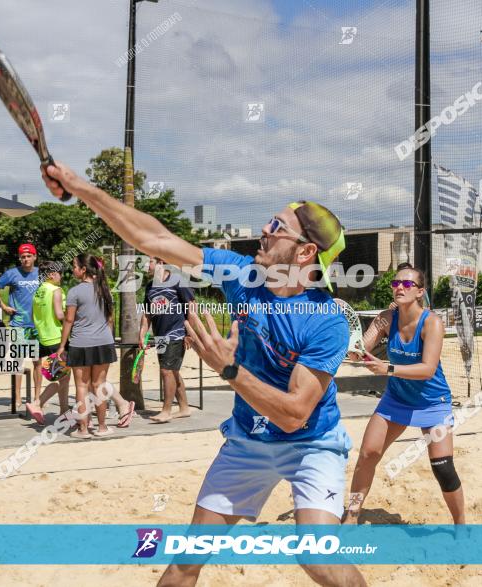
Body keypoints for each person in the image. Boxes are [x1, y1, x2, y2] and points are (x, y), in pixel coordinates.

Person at [42, 159, 365, 587]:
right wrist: (80, 187)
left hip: (311, 444)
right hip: (249, 440)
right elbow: (155, 239)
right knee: (184, 562)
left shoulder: (326, 321)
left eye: (277, 225)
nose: (264, 230)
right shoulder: (242, 274)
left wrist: (228, 369)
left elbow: (293, 414)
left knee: (319, 559)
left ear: (306, 252)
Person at [342, 265, 465, 525]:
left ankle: (461, 524)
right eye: (396, 283)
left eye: (407, 284)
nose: (400, 287)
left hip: (433, 402)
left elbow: (427, 369)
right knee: (367, 456)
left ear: (420, 292)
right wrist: (355, 350)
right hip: (396, 399)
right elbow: (359, 350)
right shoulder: (385, 319)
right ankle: (352, 514)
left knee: (443, 467)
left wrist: (387, 368)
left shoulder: (432, 322)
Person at [57, 253, 133, 439]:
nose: (73, 269)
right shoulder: (104, 290)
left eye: (75, 266)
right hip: (103, 343)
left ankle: (83, 429)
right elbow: (109, 320)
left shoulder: (74, 292)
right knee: (99, 385)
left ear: (84, 270)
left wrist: (61, 346)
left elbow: (69, 320)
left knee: (81, 387)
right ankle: (101, 427)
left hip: (80, 343)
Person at [139, 257, 195, 423]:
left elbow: (191, 305)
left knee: (166, 371)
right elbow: (147, 314)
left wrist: (190, 333)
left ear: (160, 263)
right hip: (160, 336)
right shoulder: (150, 287)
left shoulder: (177, 280)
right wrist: (142, 334)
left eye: (149, 261)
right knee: (172, 371)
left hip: (176, 332)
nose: (146, 265)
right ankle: (184, 408)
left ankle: (166, 411)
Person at [0, 243, 41, 408]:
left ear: (34, 256)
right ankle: (18, 397)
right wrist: (3, 306)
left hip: (35, 325)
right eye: (23, 257)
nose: (25, 259)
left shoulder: (41, 273)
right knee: (18, 361)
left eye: (28, 256)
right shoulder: (12, 273)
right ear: (20, 258)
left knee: (37, 361)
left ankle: (37, 397)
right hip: (18, 324)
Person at [26, 261, 70, 424]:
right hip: (57, 338)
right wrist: (73, 319)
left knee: (60, 376)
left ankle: (64, 410)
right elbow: (60, 315)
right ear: (52, 275)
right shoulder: (56, 290)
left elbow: (32, 316)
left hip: (42, 338)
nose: (61, 277)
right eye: (60, 274)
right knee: (62, 378)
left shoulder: (37, 291)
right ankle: (39, 403)